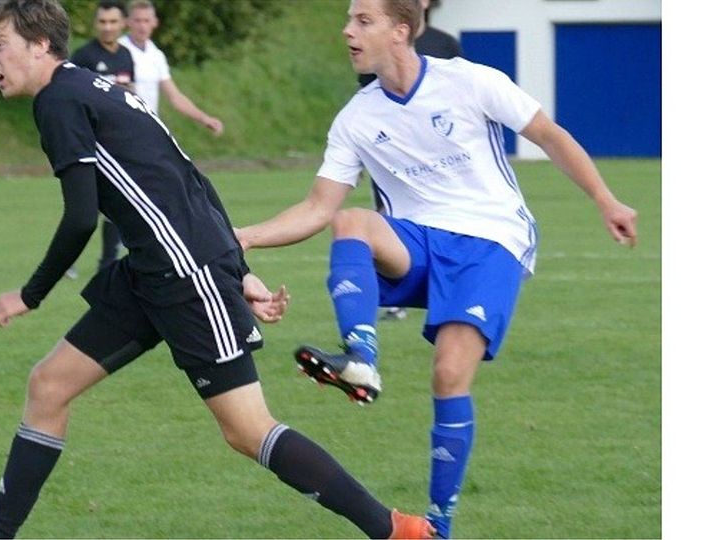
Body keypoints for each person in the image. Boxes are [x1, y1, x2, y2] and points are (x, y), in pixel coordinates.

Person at [0, 1, 434, 538]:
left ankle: (393, 529)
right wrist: (240, 270)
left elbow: (82, 216)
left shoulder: (60, 100)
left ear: (40, 44)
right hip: (155, 271)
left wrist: (31, 293)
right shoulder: (89, 87)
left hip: (183, 274)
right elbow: (190, 178)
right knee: (48, 385)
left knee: (247, 430)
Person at [235, 0, 638, 538]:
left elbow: (549, 135)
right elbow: (317, 209)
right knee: (353, 220)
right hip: (419, 240)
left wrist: (605, 199)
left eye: (363, 21)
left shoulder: (470, 81)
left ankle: (438, 525)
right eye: (349, 20)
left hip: (492, 239)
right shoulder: (357, 116)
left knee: (449, 374)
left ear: (401, 30)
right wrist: (243, 237)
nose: (347, 31)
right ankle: (361, 358)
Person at [361, 0, 463, 322]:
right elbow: (369, 98)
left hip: (436, 149)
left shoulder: (445, 43)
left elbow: (455, 95)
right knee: (386, 214)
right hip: (390, 146)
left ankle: (451, 285)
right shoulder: (377, 41)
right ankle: (394, 295)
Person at [65, 0, 135, 280]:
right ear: (96, 24)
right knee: (84, 207)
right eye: (103, 22)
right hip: (89, 142)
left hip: (118, 142)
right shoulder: (83, 57)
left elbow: (129, 96)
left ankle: (107, 264)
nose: (108, 27)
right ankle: (66, 259)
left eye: (113, 22)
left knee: (116, 203)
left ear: (123, 24)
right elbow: (71, 96)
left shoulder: (127, 56)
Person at [118, 0, 224, 135]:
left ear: (154, 22)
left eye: (146, 21)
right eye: (138, 21)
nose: (142, 26)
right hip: (122, 126)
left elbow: (175, 97)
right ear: (128, 22)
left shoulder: (156, 55)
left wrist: (205, 119)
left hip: (148, 127)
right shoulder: (118, 50)